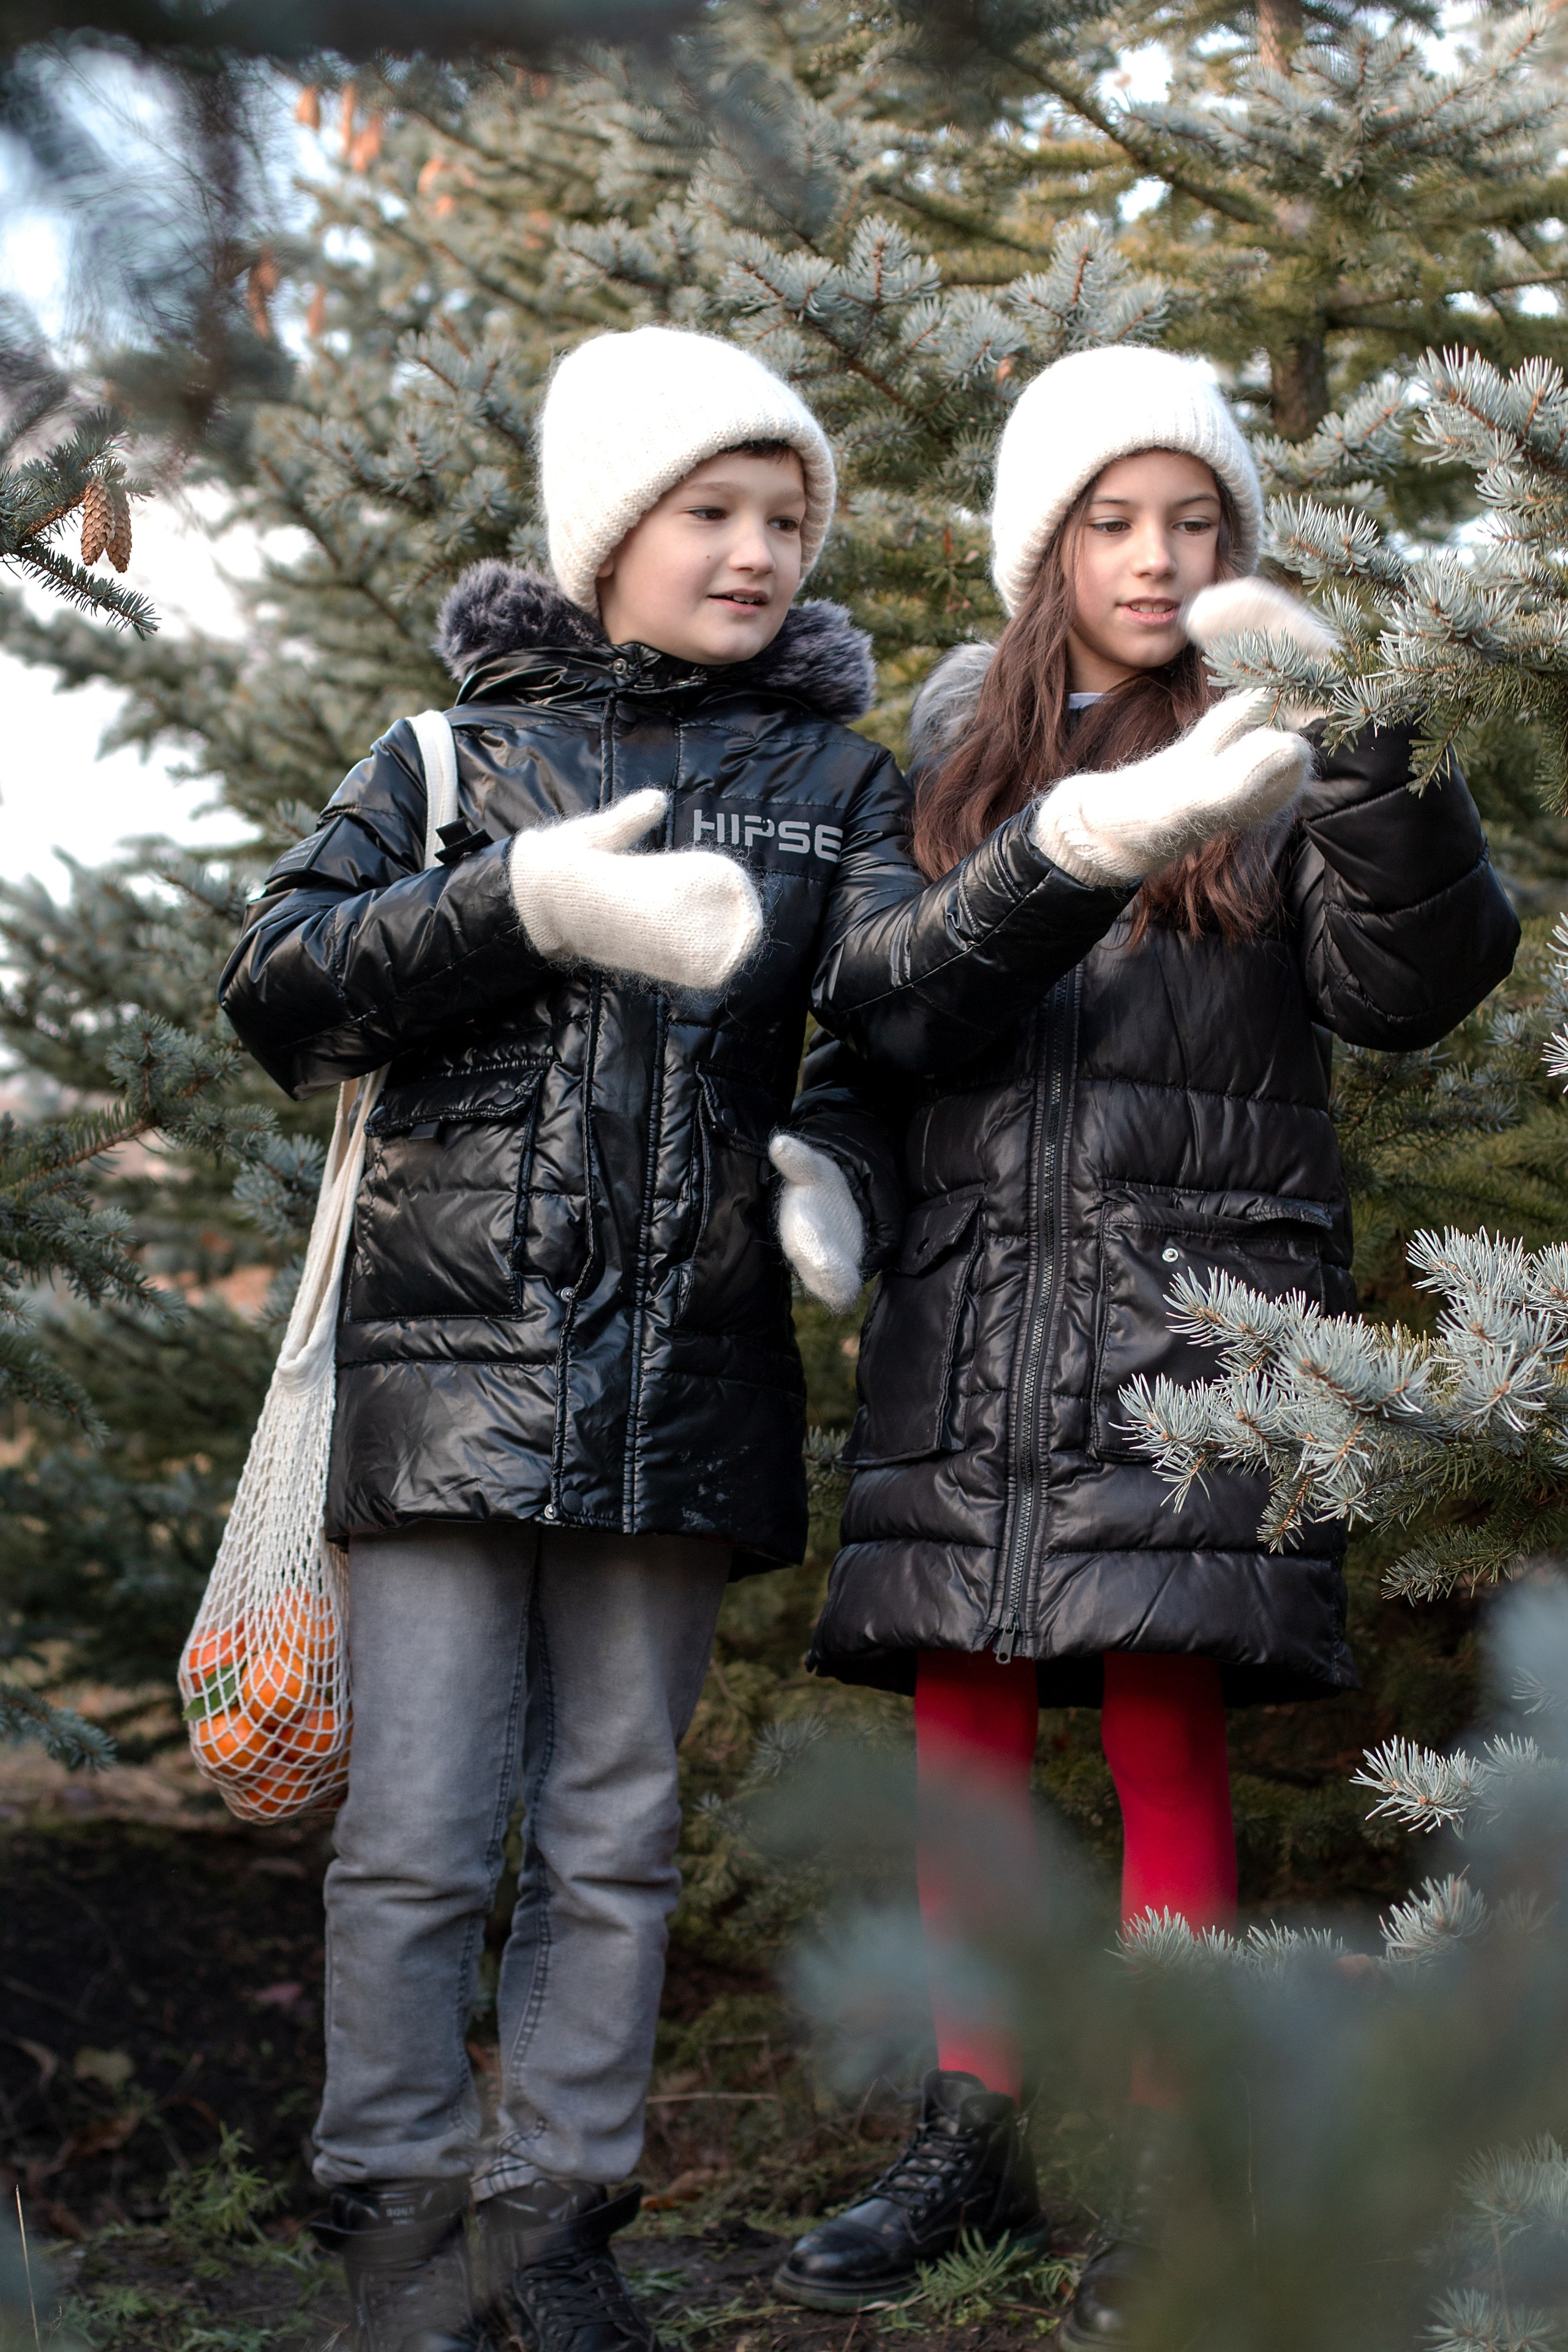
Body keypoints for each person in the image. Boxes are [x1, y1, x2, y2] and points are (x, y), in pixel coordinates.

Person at [217, 326, 1302, 2352]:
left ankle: (554, 2226)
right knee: (426, 1836)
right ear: (613, 528)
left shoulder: (830, 783)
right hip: (447, 1380)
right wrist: (522, 903)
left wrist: (822, 1159)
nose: (754, 554)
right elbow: (280, 989)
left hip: (685, 1378)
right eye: (711, 514)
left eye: (786, 520)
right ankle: (395, 2227)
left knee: (617, 1828)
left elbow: (881, 1021)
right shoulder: (450, 763)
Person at [773, 343, 1521, 2337]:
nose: (1158, 559)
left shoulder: (1282, 751)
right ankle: (970, 2131)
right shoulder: (938, 757)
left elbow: (1408, 990)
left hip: (1195, 1318)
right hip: (978, 1318)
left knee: (1163, 1712)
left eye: (1195, 523)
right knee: (970, 1740)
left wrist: (1369, 751)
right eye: (1114, 522)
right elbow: (889, 1009)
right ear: (1044, 549)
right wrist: (1066, 850)